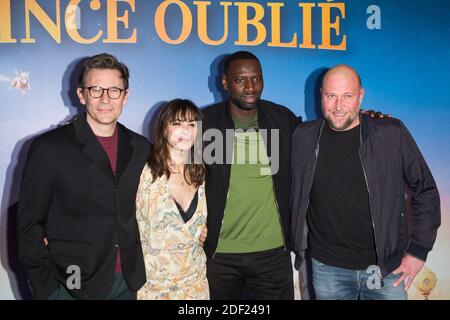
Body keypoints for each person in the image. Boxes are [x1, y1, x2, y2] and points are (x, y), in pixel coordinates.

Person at [291, 64, 441, 300]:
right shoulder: (303, 137)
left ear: (360, 95)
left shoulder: (390, 134)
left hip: (386, 269)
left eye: (347, 96)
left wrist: (418, 252)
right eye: (331, 96)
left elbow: (426, 190)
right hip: (327, 269)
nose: (339, 106)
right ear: (321, 95)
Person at [17, 53, 149, 299]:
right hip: (70, 283)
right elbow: (28, 225)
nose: (105, 99)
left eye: (114, 90)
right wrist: (47, 289)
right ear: (81, 94)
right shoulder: (50, 148)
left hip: (127, 281)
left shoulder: (141, 147)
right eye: (96, 89)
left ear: (126, 96)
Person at [202, 51, 300, 299]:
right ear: (225, 82)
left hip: (272, 254)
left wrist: (364, 119)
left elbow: (321, 140)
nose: (250, 87)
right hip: (220, 255)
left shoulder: (282, 119)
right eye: (241, 80)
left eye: (257, 79)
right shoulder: (205, 122)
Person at [136, 99, 209, 300]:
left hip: (195, 287)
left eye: (192, 124)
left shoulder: (202, 174)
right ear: (163, 128)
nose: (185, 130)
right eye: (177, 123)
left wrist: (205, 227)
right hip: (153, 288)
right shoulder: (143, 173)